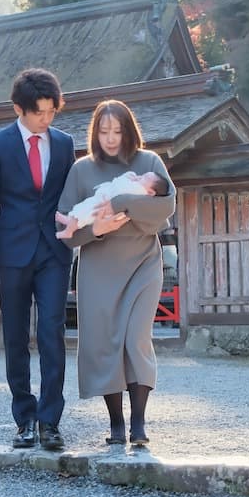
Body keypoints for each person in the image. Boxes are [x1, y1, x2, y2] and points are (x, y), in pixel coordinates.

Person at [56, 99, 175, 447]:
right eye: (104, 131)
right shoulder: (81, 170)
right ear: (95, 132)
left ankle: (138, 423)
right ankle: (116, 425)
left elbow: (165, 205)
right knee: (106, 342)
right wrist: (98, 228)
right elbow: (65, 228)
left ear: (129, 131)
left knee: (135, 339)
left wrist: (122, 202)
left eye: (117, 130)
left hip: (142, 263)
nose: (110, 138)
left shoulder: (149, 162)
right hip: (98, 267)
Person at [0, 68, 76, 451]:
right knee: (16, 336)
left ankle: (50, 421)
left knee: (52, 332)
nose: (46, 120)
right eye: (39, 113)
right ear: (19, 108)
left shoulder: (64, 144)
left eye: (51, 112)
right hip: (11, 252)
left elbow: (71, 196)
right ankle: (25, 419)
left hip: (53, 251)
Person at [54, 171, 167, 239]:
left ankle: (68, 231)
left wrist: (127, 177)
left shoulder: (140, 191)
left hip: (106, 210)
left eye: (145, 178)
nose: (140, 177)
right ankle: (69, 221)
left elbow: (120, 187)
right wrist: (129, 177)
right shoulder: (138, 189)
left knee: (85, 213)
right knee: (84, 209)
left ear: (151, 192)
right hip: (103, 201)